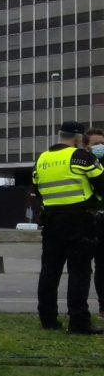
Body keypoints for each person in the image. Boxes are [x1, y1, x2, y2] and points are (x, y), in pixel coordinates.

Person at [33, 121, 104, 334]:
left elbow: (38, 190)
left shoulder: (42, 159)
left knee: (49, 271)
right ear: (77, 138)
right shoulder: (81, 157)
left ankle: (48, 319)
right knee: (79, 272)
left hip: (52, 221)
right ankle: (79, 321)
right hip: (79, 221)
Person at [85, 127, 104, 320]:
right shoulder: (85, 165)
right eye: (96, 144)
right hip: (92, 219)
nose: (100, 147)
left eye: (103, 143)